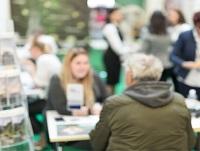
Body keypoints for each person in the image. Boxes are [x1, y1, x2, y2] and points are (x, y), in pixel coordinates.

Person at [90, 53, 195, 151]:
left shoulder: (115, 104)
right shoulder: (179, 101)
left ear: (129, 76)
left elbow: (97, 144)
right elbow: (190, 143)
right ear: (158, 75)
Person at [23, 38, 61, 150]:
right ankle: (42, 136)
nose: (30, 54)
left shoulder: (43, 59)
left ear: (35, 49)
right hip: (53, 96)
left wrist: (31, 68)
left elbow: (39, 82)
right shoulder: (49, 57)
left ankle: (41, 134)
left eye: (30, 51)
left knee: (25, 110)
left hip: (52, 100)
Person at [170, 11, 200, 99]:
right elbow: (173, 56)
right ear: (196, 25)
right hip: (186, 78)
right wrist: (183, 63)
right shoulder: (185, 36)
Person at [103, 7, 131, 94]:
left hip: (116, 58)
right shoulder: (110, 28)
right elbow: (118, 48)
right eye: (118, 14)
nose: (120, 16)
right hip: (111, 58)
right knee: (111, 82)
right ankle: (108, 101)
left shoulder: (117, 26)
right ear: (111, 15)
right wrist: (131, 49)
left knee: (114, 82)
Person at [140, 11, 172, 81]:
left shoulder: (148, 36)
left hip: (152, 66)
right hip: (166, 64)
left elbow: (143, 51)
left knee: (152, 88)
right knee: (162, 87)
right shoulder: (168, 34)